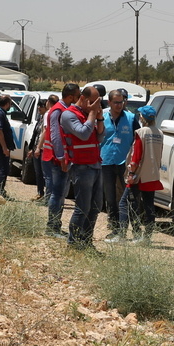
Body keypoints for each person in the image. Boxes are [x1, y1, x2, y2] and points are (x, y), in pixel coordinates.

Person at [60, 85, 104, 251]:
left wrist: (98, 117)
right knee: (82, 207)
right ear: (85, 99)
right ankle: (73, 243)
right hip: (81, 166)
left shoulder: (89, 114)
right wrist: (92, 114)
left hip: (95, 164)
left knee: (95, 206)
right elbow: (83, 134)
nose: (95, 106)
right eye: (93, 103)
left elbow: (100, 136)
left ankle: (86, 242)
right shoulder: (69, 115)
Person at [101, 89, 136, 242]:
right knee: (110, 197)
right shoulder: (101, 116)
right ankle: (115, 228)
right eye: (115, 102)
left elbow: (138, 140)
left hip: (125, 163)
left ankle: (128, 230)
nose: (119, 105)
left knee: (127, 198)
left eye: (121, 102)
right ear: (109, 102)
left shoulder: (131, 118)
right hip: (106, 161)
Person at [46, 84, 80, 236]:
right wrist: (61, 158)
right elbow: (55, 135)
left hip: (63, 158)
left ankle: (56, 226)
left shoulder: (64, 109)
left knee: (61, 194)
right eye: (78, 95)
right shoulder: (58, 111)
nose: (79, 98)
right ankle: (52, 227)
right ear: (71, 96)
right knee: (57, 193)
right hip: (57, 159)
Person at [126, 105, 164, 242]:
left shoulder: (141, 132)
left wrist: (131, 173)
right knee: (149, 205)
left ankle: (136, 234)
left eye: (140, 115)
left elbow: (136, 156)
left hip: (139, 175)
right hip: (153, 174)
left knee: (132, 204)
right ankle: (147, 236)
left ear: (143, 117)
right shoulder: (159, 133)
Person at [31, 95, 57, 202]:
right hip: (55, 147)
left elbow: (45, 131)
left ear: (48, 102)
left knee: (48, 176)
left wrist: (38, 147)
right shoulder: (59, 112)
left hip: (46, 149)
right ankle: (50, 197)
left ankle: (48, 199)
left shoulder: (48, 114)